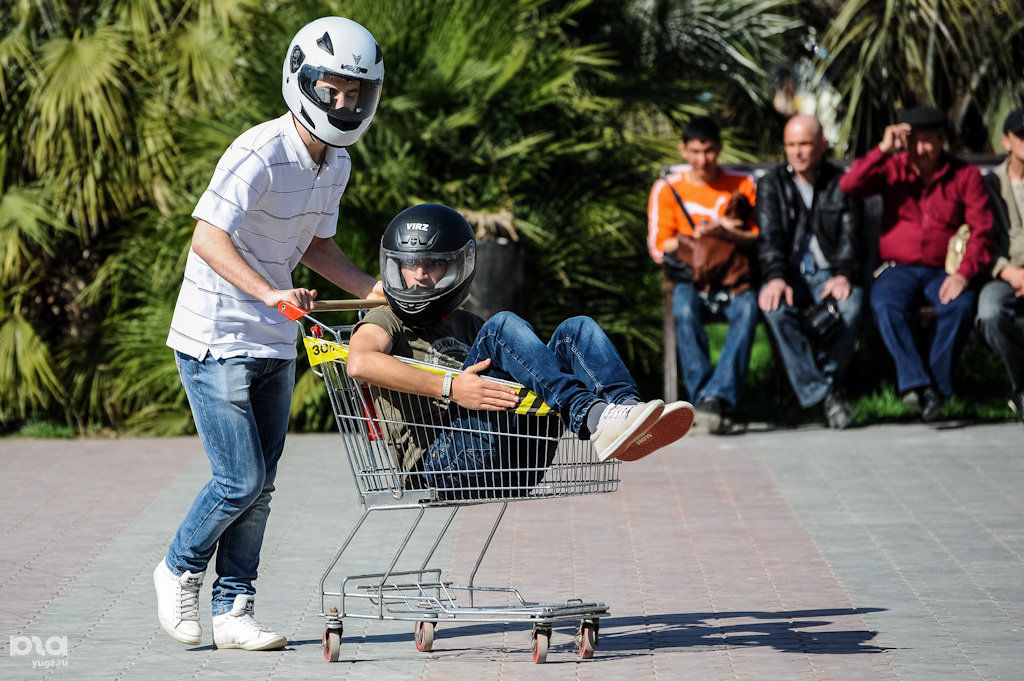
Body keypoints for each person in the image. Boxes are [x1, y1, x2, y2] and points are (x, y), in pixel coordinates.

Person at [155, 17, 386, 651]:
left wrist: (376, 291)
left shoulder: (333, 162)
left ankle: (235, 612)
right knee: (239, 480)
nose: (344, 103)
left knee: (263, 486)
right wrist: (268, 292)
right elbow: (206, 236)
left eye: (356, 93)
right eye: (333, 88)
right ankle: (178, 567)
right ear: (301, 80)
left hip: (275, 339)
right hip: (215, 335)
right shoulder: (259, 149)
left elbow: (315, 245)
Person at [346, 204, 695, 493]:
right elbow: (360, 363)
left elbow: (531, 368)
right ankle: (593, 417)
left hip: (515, 455)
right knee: (501, 326)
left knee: (577, 329)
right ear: (395, 265)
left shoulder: (466, 324)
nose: (420, 275)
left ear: (456, 266)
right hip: (441, 465)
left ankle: (623, 412)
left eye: (433, 263)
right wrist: (452, 388)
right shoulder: (386, 318)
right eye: (410, 263)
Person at [840, 105, 993, 421]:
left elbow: (983, 230)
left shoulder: (965, 175)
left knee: (960, 305)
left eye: (928, 141)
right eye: (914, 141)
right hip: (898, 269)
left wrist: (964, 275)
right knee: (884, 304)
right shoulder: (891, 168)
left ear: (942, 140)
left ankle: (933, 389)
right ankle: (917, 384)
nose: (921, 150)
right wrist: (883, 149)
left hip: (944, 271)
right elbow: (850, 185)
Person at [647, 116, 759, 433]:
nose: (702, 160)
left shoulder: (743, 184)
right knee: (683, 310)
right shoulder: (667, 188)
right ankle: (709, 403)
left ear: (719, 148)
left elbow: (756, 235)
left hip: (733, 276)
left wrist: (722, 231)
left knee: (748, 308)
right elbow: (659, 247)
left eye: (709, 151)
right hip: (689, 279)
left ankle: (712, 399)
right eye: (695, 151)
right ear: (683, 150)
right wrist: (703, 241)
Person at [757, 115, 865, 428]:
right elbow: (769, 238)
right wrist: (775, 276)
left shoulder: (841, 183)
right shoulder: (771, 184)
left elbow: (852, 236)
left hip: (831, 272)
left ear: (822, 144)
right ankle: (827, 394)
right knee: (775, 310)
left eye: (804, 143)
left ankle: (804, 391)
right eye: (791, 145)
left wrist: (843, 273)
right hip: (790, 275)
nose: (797, 152)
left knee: (853, 305)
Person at [978, 108, 1024, 422]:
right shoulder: (988, 185)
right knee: (990, 312)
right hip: (1004, 274)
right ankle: (1021, 386)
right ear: (1006, 141)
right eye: (1022, 136)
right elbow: (980, 239)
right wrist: (1009, 272)